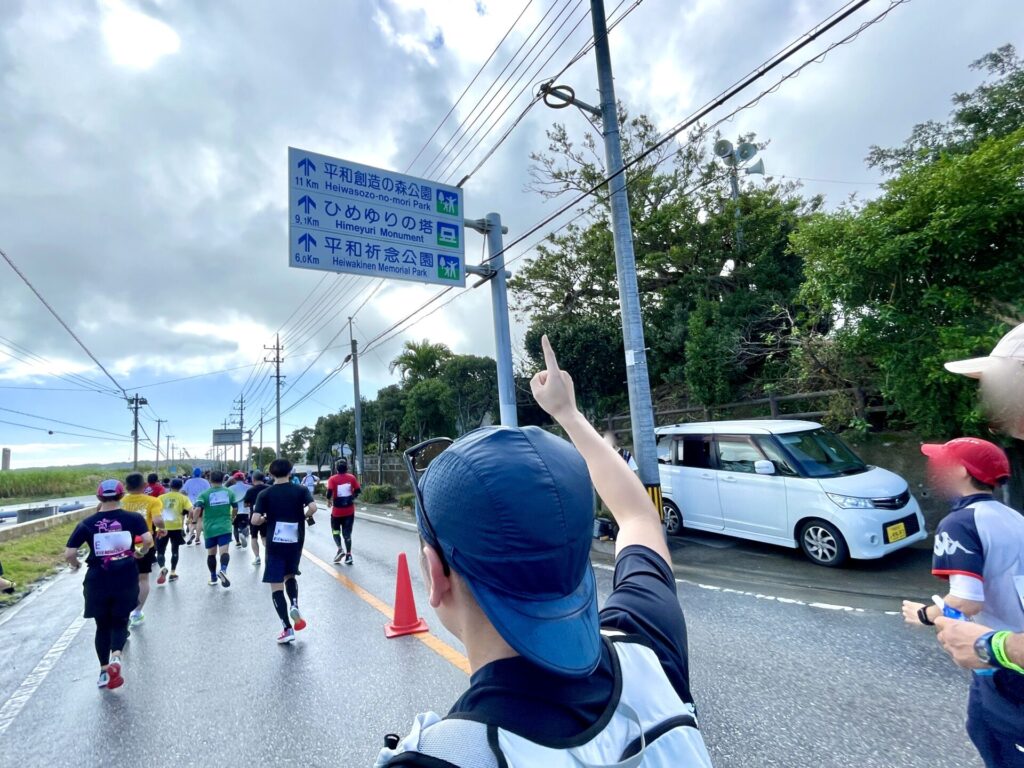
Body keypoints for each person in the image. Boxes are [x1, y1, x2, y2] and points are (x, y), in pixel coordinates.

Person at [375, 336, 711, 767]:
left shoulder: (439, 758)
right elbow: (637, 518)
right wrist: (567, 413)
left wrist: (566, 412)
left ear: (435, 574)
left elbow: (635, 518)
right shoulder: (646, 637)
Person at [901, 437, 1024, 767]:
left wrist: (923, 614)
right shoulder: (1013, 517)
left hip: (1000, 659)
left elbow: (966, 601)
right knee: (982, 728)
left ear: (960, 471)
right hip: (1011, 650)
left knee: (998, 742)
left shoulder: (959, 523)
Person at [64, 480, 153, 690]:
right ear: (121, 496)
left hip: (98, 579)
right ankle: (116, 657)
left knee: (102, 625)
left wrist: (75, 565)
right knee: (120, 620)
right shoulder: (134, 518)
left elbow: (69, 553)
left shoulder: (87, 523)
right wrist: (140, 552)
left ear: (99, 497)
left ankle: (104, 671)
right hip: (126, 575)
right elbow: (148, 540)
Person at [251, 459, 317, 644]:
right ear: (290, 472)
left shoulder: (265, 493)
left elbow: (255, 519)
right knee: (290, 574)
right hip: (295, 538)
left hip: (275, 540)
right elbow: (313, 508)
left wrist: (264, 519)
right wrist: (304, 516)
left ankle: (287, 629)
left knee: (276, 583)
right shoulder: (301, 490)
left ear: (271, 474)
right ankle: (294, 604)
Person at [120, 472, 165, 626]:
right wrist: (162, 528)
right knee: (143, 578)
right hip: (143, 543)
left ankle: (122, 612)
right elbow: (157, 520)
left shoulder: (120, 502)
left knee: (123, 578)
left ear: (126, 486)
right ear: (144, 486)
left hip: (121, 543)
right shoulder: (153, 501)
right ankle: (137, 612)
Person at [193, 471, 238, 587]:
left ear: (210, 480)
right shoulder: (229, 492)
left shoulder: (204, 494)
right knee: (224, 552)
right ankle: (223, 570)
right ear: (223, 479)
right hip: (225, 526)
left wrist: (193, 521)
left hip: (210, 528)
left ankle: (213, 578)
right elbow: (235, 507)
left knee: (211, 554)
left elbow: (197, 509)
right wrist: (233, 517)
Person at [155, 477, 192, 584]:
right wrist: (189, 520)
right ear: (181, 487)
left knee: (160, 551)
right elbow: (191, 510)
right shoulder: (183, 498)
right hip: (176, 527)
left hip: (162, 527)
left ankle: (162, 567)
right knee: (175, 550)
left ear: (170, 486)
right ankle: (173, 573)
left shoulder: (161, 497)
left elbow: (155, 511)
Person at [326, 460, 360, 565]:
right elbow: (358, 490)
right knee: (347, 533)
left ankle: (340, 549)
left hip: (337, 512)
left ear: (336, 469)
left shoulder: (332, 479)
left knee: (335, 531)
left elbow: (329, 492)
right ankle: (349, 555)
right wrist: (352, 498)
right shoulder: (352, 478)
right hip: (349, 511)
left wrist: (328, 500)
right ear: (347, 468)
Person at [243, 472, 270, 567]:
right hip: (267, 516)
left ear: (253, 479)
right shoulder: (269, 488)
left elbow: (245, 504)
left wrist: (251, 504)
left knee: (254, 537)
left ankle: (257, 557)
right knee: (264, 537)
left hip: (254, 517)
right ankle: (270, 555)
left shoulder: (250, 490)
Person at [183, 467, 210, 545]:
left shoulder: (188, 481)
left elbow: (183, 491)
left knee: (191, 520)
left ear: (193, 473)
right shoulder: (205, 482)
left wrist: (188, 495)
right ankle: (197, 538)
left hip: (190, 504)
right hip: (201, 503)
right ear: (200, 474)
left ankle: (191, 533)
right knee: (199, 520)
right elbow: (209, 492)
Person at [228, 472, 251, 549]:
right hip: (245, 510)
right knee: (244, 525)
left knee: (235, 526)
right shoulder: (249, 487)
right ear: (243, 478)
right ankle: (242, 533)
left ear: (234, 479)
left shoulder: (230, 488)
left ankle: (237, 542)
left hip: (234, 510)